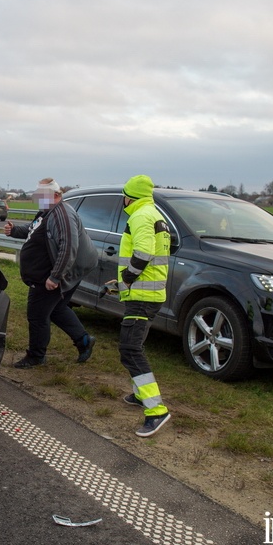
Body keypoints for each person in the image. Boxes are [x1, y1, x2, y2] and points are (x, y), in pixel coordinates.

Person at [4, 178, 98, 368]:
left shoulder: (61, 215)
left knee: (37, 315)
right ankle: (84, 341)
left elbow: (68, 247)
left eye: (43, 196)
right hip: (55, 270)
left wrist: (55, 277)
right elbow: (33, 231)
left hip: (55, 273)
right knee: (56, 309)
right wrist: (14, 231)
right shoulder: (47, 211)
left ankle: (36, 356)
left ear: (57, 195)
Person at [107, 175, 172, 438]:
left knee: (130, 350)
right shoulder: (154, 213)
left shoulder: (140, 216)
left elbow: (143, 253)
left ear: (129, 197)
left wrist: (127, 279)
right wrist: (121, 283)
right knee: (135, 346)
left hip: (142, 296)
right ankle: (138, 394)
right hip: (149, 293)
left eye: (123, 196)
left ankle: (156, 410)